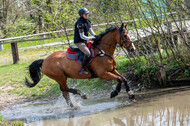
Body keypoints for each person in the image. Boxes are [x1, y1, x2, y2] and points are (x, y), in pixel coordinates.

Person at [74, 7, 96, 74]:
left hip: (84, 41)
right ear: (81, 15)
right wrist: (91, 38)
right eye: (85, 14)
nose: (87, 15)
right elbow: (82, 36)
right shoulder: (79, 24)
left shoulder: (87, 21)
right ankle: (82, 69)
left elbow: (90, 30)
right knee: (87, 53)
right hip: (79, 42)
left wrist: (96, 36)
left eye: (87, 14)